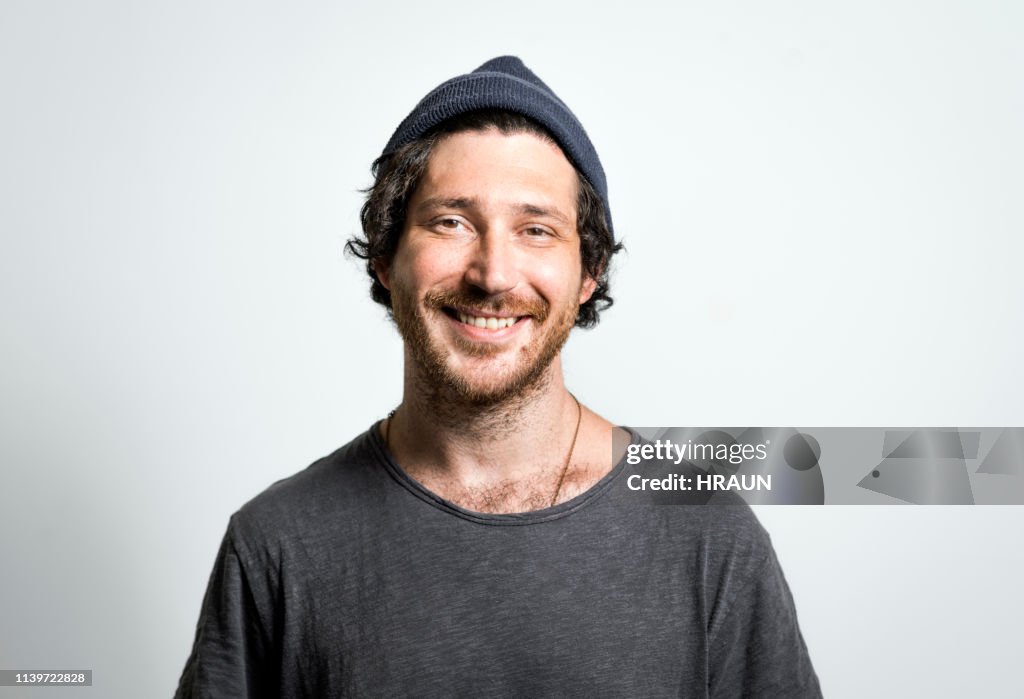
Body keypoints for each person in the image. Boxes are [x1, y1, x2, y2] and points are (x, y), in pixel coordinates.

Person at [174, 56, 822, 698]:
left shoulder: (709, 537)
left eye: (536, 230)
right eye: (451, 221)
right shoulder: (277, 546)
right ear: (385, 254)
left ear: (587, 271)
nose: (493, 273)